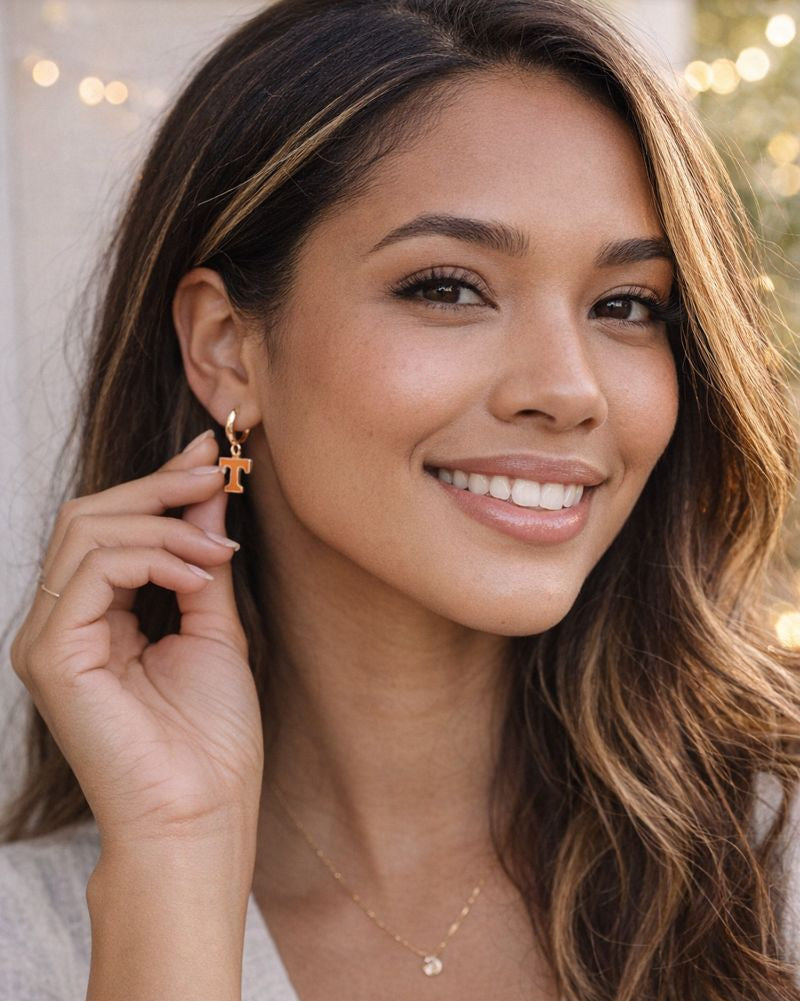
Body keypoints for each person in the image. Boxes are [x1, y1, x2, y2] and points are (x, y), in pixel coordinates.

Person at [2, 0, 800, 998]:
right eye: (446, 286)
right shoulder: (28, 944)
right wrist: (175, 858)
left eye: (625, 304)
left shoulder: (775, 867)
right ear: (225, 345)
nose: (566, 389)